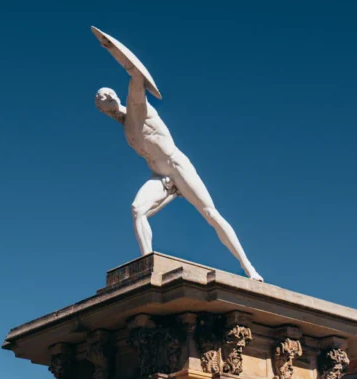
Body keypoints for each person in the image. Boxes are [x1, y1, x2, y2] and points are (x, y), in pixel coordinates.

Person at [95, 68, 263, 281]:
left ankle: (248, 267)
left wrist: (122, 60)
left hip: (177, 166)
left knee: (211, 214)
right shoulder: (127, 129)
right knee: (137, 209)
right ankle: (148, 264)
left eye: (105, 99)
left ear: (113, 97)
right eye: (101, 105)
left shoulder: (136, 107)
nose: (106, 105)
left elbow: (137, 78)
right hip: (159, 175)